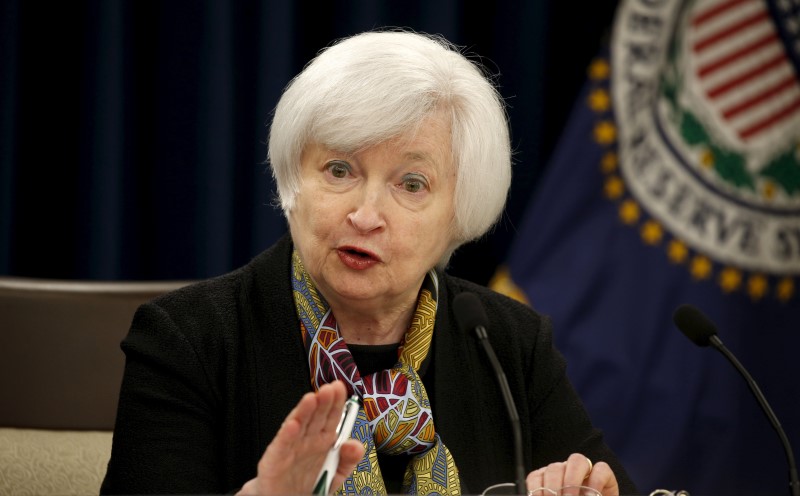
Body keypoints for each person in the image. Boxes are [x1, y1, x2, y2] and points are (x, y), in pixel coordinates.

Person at [101, 28, 638, 495]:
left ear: (460, 211)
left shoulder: (507, 346)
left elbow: (600, 484)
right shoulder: (188, 339)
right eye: (339, 170)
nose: (365, 214)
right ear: (294, 180)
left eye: (411, 183)